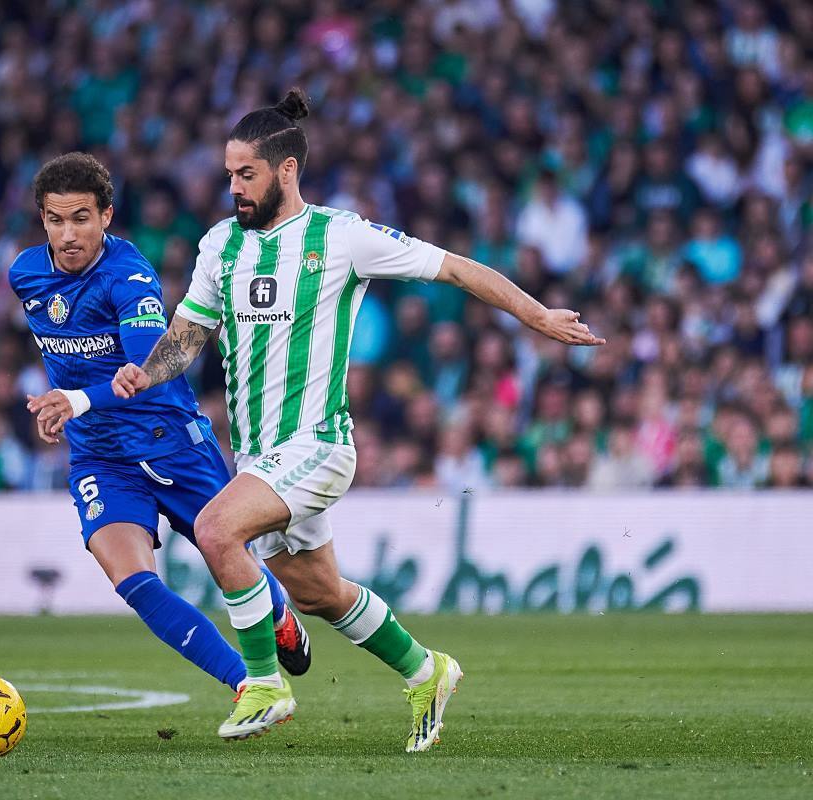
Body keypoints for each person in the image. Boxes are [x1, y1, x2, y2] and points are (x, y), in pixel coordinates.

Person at [107, 90, 605, 750]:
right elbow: (190, 334)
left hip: (318, 444)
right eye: (228, 174)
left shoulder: (341, 237)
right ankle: (428, 670)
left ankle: (263, 684)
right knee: (317, 594)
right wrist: (148, 370)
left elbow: (455, 268)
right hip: (259, 458)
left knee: (215, 529)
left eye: (245, 174)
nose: (233, 187)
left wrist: (537, 315)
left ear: (286, 170)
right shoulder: (220, 245)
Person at [13, 153, 310, 695]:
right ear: (42, 219)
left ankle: (278, 612)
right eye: (56, 219)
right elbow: (69, 353)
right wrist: (61, 407)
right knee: (134, 581)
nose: (68, 233)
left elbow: (142, 371)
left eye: (81, 217)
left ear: (106, 215)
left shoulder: (128, 277)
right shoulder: (26, 274)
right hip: (100, 455)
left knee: (228, 558)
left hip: (169, 440)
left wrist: (74, 400)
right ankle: (250, 685)